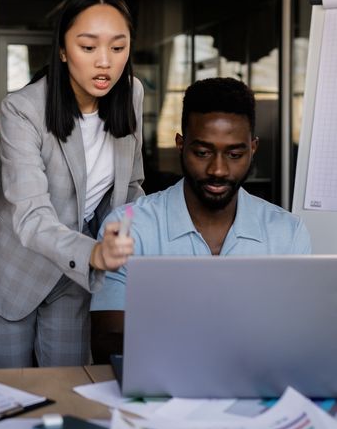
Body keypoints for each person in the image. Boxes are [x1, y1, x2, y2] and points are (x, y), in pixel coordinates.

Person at [0, 0, 144, 367]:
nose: (104, 62)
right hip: (8, 274)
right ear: (62, 50)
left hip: (72, 276)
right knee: (11, 395)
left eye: (118, 47)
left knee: (68, 386)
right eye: (88, 47)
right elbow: (30, 215)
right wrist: (93, 253)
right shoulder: (23, 109)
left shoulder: (132, 93)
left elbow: (131, 185)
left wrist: (125, 236)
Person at [90, 77, 312, 363]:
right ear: (180, 145)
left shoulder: (288, 234)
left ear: (253, 148)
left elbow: (299, 342)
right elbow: (108, 344)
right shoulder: (132, 228)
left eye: (234, 154)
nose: (218, 170)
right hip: (158, 399)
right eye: (203, 152)